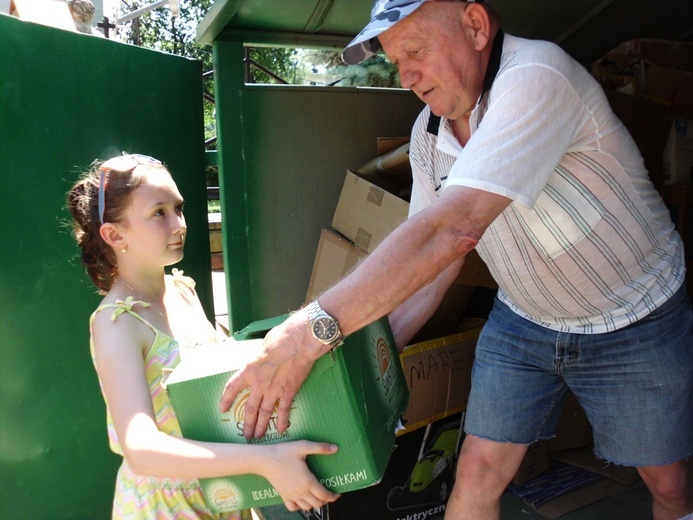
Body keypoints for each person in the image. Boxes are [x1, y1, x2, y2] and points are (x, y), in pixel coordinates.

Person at [219, 1, 693, 519]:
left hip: (634, 316)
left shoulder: (537, 75)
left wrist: (303, 337)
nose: (407, 76)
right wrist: (361, 359)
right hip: (526, 322)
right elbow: (431, 269)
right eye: (397, 61)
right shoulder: (428, 135)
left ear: (474, 26)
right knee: (475, 473)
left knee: (668, 483)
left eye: (416, 51)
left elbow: (452, 231)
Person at [67, 153, 340, 518]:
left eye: (179, 208)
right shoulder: (117, 324)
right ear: (115, 234)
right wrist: (266, 461)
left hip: (225, 492)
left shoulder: (183, 290)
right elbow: (141, 449)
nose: (179, 224)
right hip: (167, 507)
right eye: (158, 213)